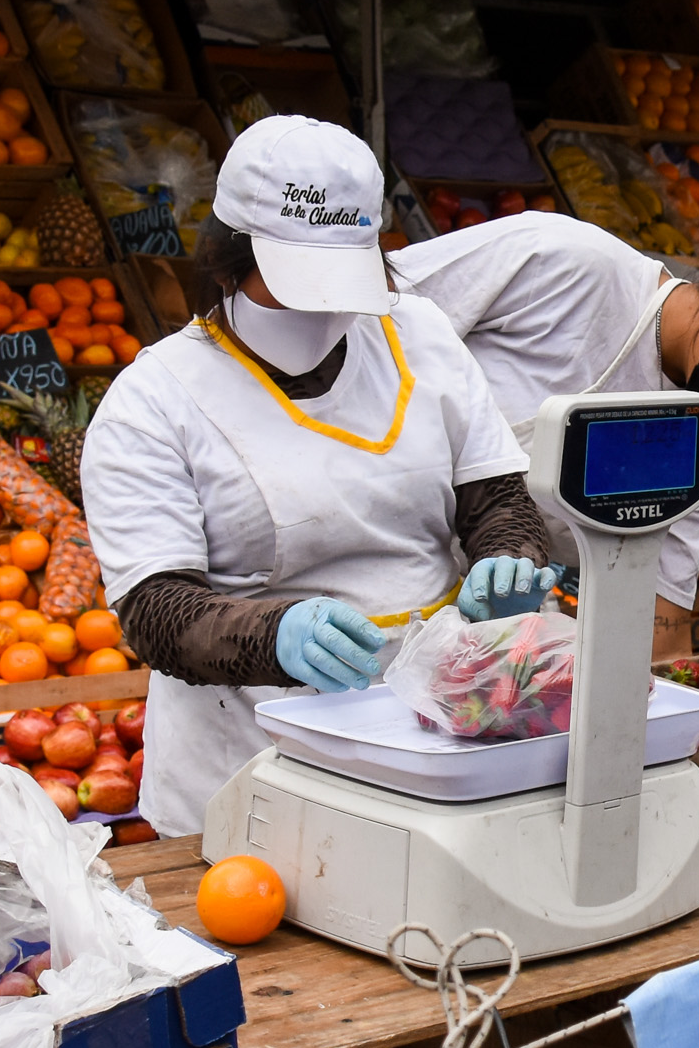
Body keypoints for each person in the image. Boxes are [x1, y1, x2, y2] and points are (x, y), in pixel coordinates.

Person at [81, 116, 551, 835]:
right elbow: (156, 610)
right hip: (251, 761)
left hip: (437, 735)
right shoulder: (154, 402)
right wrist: (277, 636)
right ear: (228, 257)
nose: (322, 308)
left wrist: (509, 560)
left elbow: (497, 499)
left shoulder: (419, 335)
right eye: (295, 284)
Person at [390, 215, 699, 617]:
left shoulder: (693, 456)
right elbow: (380, 313)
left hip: (487, 633)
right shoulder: (568, 263)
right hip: (371, 565)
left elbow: (656, 617)